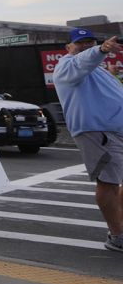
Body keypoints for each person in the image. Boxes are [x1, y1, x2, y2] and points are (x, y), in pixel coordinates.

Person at [52, 28, 123, 253]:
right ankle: (117, 235)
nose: (86, 45)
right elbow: (81, 62)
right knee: (108, 182)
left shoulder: (98, 69)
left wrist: (109, 68)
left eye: (90, 41)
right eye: (80, 42)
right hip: (98, 132)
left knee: (114, 182)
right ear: (68, 48)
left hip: (116, 130)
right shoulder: (66, 66)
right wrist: (100, 49)